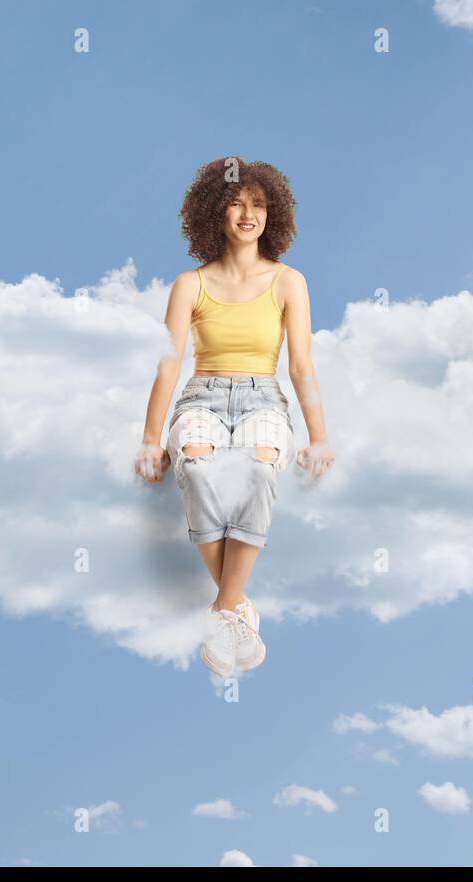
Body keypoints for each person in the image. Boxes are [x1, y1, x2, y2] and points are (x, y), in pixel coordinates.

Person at [134, 157, 335, 676]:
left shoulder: (290, 282)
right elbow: (168, 363)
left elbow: (301, 364)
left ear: (274, 214)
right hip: (201, 397)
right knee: (197, 468)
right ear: (214, 213)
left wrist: (318, 436)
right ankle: (237, 605)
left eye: (259, 204)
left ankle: (224, 609)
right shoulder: (189, 285)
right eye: (237, 204)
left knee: (258, 468)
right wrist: (151, 439)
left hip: (263, 397)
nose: (249, 214)